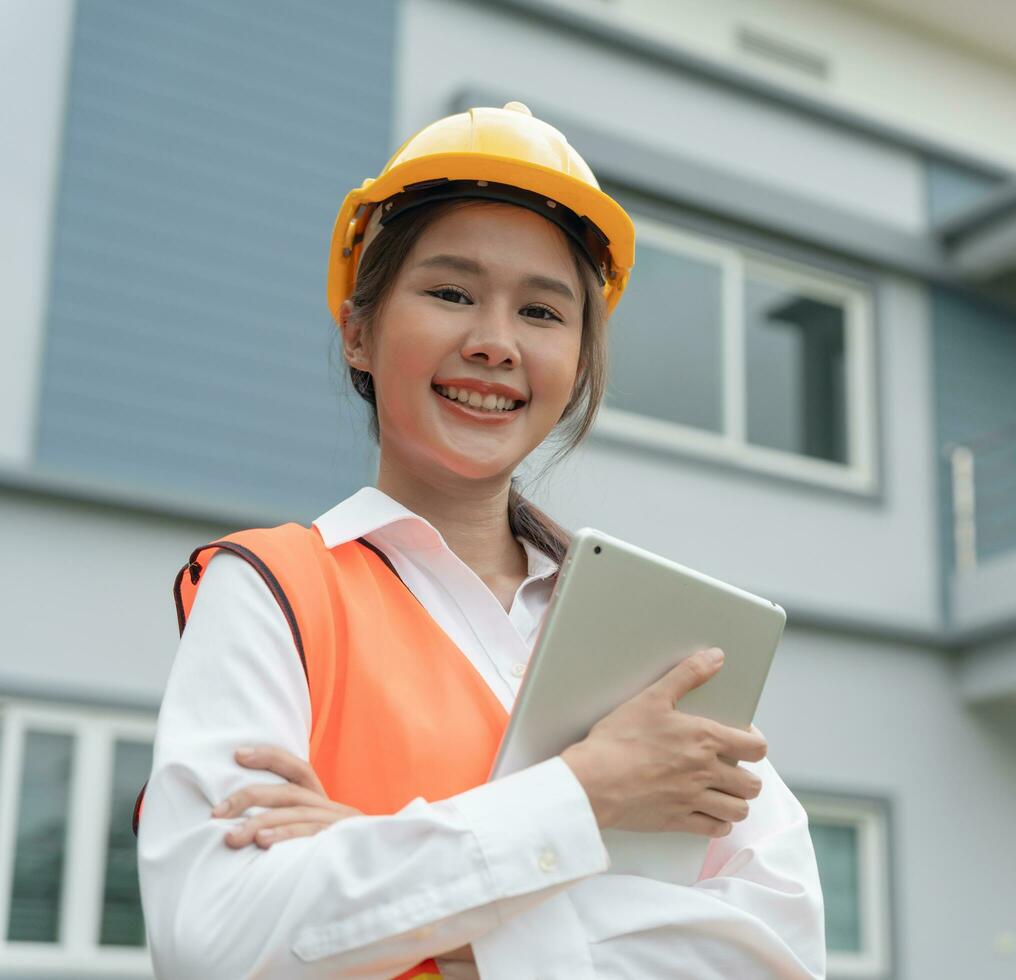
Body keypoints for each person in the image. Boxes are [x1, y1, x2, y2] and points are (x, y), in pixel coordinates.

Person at [135, 102, 825, 979]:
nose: (496, 343)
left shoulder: (655, 637)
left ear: (578, 361)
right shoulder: (275, 590)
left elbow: (778, 952)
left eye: (542, 312)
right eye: (451, 293)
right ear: (358, 330)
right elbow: (215, 941)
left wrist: (401, 886)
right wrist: (589, 791)